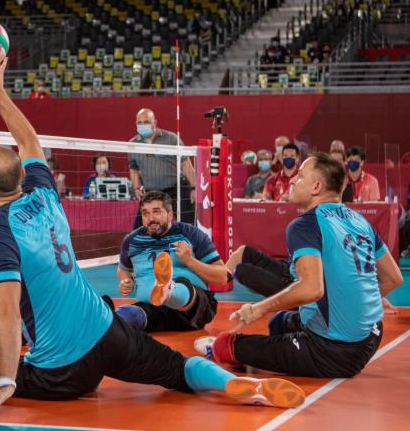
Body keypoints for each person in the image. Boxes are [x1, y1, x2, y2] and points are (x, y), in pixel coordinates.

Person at [0, 44, 305, 427]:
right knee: (177, 367)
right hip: (107, 330)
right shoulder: (44, 194)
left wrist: (5, 380)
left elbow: (5, 311)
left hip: (63, 369)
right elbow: (30, 142)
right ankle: (234, 382)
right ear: (23, 175)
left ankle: (55, 375)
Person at [197, 153, 403, 377]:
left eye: (300, 175)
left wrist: (257, 309)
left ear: (316, 186)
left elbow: (311, 288)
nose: (294, 179)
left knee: (226, 345)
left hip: (333, 352)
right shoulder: (360, 221)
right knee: (279, 324)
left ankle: (227, 351)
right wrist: (360, 298)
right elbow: (394, 278)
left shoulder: (306, 224)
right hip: (371, 337)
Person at [114, 191, 227, 333]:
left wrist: (190, 261)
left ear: (170, 214)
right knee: (124, 317)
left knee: (181, 283)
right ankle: (162, 291)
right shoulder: (132, 240)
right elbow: (123, 269)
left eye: (156, 212)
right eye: (145, 213)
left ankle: (170, 289)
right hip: (153, 308)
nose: (150, 219)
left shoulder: (190, 234)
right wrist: (125, 280)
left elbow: (223, 277)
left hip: (192, 310)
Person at [129, 108, 195, 226]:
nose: (143, 125)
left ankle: (190, 244)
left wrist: (195, 188)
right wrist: (136, 188)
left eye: (146, 122)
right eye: (139, 123)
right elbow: (133, 167)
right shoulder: (133, 144)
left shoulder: (172, 138)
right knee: (139, 228)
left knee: (188, 224)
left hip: (176, 188)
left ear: (155, 122)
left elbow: (186, 164)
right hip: (151, 192)